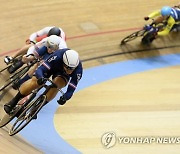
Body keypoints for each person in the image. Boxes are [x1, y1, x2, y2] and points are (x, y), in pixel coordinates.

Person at [4, 49, 83, 119]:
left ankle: (37, 108)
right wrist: (41, 78)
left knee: (56, 85)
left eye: (72, 69)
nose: (70, 71)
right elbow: (41, 69)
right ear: (63, 62)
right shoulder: (57, 56)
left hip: (62, 75)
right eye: (68, 68)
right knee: (35, 81)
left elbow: (71, 89)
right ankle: (14, 101)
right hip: (51, 67)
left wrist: (65, 97)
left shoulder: (78, 70)